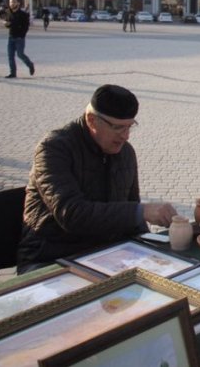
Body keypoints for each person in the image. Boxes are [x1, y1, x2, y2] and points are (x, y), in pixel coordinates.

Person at [17, 84, 178, 273]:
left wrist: (150, 249)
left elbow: (131, 213)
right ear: (92, 120)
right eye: (118, 128)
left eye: (129, 127)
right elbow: (72, 214)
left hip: (106, 253)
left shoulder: (125, 152)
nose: (125, 136)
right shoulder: (54, 149)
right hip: (52, 256)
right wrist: (140, 211)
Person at [1, 0, 35, 79]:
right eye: (10, 2)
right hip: (11, 36)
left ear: (18, 3)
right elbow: (6, 22)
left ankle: (30, 65)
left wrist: (22, 35)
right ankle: (13, 73)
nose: (12, 4)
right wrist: (7, 24)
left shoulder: (23, 14)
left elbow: (26, 27)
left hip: (19, 38)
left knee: (20, 54)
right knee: (10, 55)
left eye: (13, 2)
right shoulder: (8, 12)